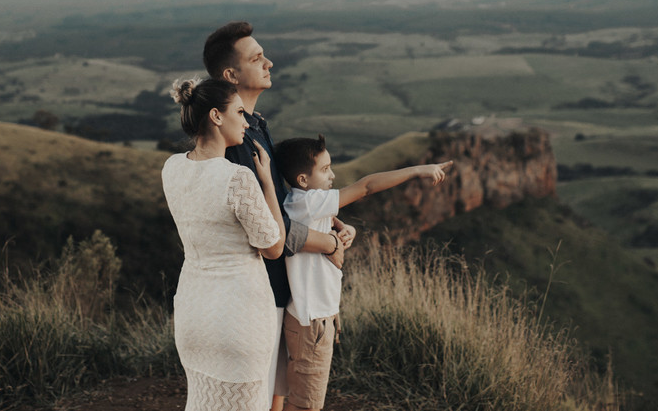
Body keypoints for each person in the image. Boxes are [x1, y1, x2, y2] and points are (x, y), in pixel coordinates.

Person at [203, 22, 356, 411]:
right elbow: (271, 230)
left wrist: (332, 226)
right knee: (261, 395)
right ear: (231, 76)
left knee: (275, 391)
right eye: (257, 58)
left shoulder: (255, 127)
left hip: (279, 288)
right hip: (260, 288)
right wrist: (328, 244)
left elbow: (287, 202)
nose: (269, 62)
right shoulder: (238, 143)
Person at [273, 134, 453, 411]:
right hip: (313, 322)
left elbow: (329, 221)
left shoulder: (297, 202)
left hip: (309, 318)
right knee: (305, 403)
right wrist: (419, 170)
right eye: (325, 169)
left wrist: (348, 229)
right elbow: (367, 186)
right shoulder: (311, 203)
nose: (332, 175)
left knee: (300, 396)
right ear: (303, 180)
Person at [162, 77, 288, 411]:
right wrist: (268, 183)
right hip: (238, 318)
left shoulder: (171, 168)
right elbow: (274, 247)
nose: (247, 122)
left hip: (192, 313)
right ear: (217, 116)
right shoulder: (237, 177)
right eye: (240, 112)